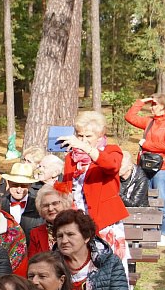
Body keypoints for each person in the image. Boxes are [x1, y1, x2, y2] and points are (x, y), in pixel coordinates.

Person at [55, 111, 130, 260]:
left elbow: (111, 167)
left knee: (111, 267)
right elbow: (69, 185)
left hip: (104, 221)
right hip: (77, 220)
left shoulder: (112, 151)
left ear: (100, 136)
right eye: (80, 136)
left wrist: (86, 149)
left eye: (88, 136)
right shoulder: (71, 157)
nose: (83, 140)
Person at [125, 93, 165, 244]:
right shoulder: (151, 121)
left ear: (163, 106)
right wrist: (140, 102)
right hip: (145, 166)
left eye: (154, 104)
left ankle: (163, 233)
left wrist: (145, 144)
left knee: (162, 200)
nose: (152, 107)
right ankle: (148, 231)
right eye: (151, 104)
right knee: (145, 198)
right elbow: (130, 117)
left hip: (162, 168)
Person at [26, 183, 73, 258]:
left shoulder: (78, 227)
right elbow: (33, 262)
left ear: (65, 204)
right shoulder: (35, 233)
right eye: (46, 205)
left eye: (55, 203)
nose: (50, 208)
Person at [2, 161, 42, 233]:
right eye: (15, 185)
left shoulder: (38, 206)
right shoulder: (0, 204)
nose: (19, 190)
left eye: (23, 186)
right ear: (9, 183)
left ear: (30, 185)